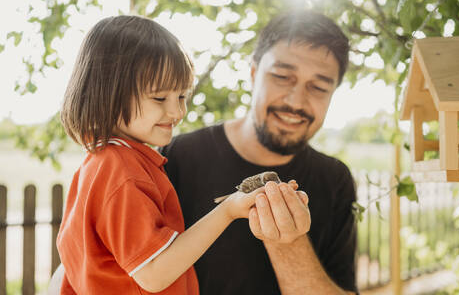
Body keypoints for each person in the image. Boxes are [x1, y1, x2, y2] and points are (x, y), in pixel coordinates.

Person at [55, 15, 301, 294]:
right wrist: (228, 210)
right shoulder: (121, 171)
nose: (177, 112)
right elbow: (153, 273)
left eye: (181, 96)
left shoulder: (105, 163)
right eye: (160, 98)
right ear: (108, 93)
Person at [160, 10, 358, 294]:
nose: (296, 101)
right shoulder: (178, 156)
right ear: (253, 74)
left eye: (318, 87)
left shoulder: (336, 179)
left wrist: (287, 243)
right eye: (282, 76)